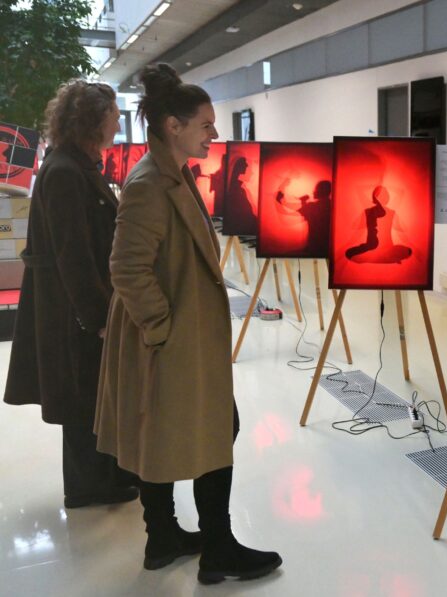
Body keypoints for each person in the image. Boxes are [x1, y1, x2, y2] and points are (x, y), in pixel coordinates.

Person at [92, 63, 281, 583]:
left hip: (179, 335)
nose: (214, 134)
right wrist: (163, 329)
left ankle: (164, 537)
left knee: (168, 432)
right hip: (171, 337)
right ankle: (218, 549)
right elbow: (126, 267)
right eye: (206, 125)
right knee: (214, 429)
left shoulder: (170, 174)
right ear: (172, 126)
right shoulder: (151, 183)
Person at [3, 81, 138, 509]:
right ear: (92, 119)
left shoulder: (75, 165)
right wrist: (98, 318)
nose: (118, 123)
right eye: (113, 115)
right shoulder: (65, 171)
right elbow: (72, 255)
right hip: (72, 311)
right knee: (82, 397)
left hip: (74, 306)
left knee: (91, 394)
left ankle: (101, 478)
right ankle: (87, 487)